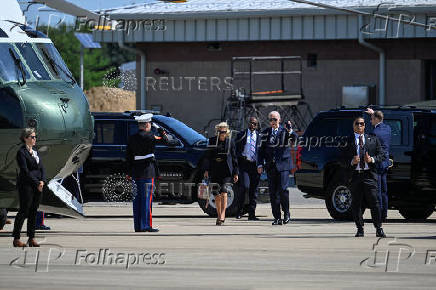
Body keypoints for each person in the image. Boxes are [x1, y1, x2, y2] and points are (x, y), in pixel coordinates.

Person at [343, 116, 386, 237]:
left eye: (362, 124)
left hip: (369, 175)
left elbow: (382, 155)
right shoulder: (347, 141)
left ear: (365, 126)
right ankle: (360, 228)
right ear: (353, 126)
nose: (360, 126)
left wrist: (371, 159)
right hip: (355, 176)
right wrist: (352, 161)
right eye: (357, 123)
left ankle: (379, 228)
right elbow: (341, 159)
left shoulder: (373, 139)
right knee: (356, 204)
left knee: (375, 202)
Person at [126, 113, 169, 233]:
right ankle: (146, 225)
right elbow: (167, 141)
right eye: (149, 124)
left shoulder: (132, 138)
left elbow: (128, 157)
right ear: (146, 125)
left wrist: (129, 172)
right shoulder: (150, 137)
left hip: (135, 172)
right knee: (146, 200)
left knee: (137, 200)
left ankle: (138, 226)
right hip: (147, 172)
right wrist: (161, 130)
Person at [257, 111, 297, 225]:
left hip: (283, 166)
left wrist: (290, 130)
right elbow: (260, 151)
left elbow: (294, 138)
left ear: (279, 120)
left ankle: (287, 213)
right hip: (271, 167)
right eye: (271, 120)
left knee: (283, 190)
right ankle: (277, 217)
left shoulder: (284, 131)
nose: (273, 122)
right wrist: (260, 164)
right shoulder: (265, 133)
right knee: (273, 193)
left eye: (275, 119)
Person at [12, 128, 46, 247]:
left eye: (35, 137)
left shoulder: (35, 152)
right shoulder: (21, 152)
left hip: (38, 185)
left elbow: (41, 168)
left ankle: (31, 238)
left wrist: (42, 181)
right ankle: (16, 238)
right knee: (23, 211)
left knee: (33, 212)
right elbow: (25, 171)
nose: (34, 139)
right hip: (26, 185)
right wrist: (37, 182)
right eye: (32, 137)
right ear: (25, 138)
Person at [203, 122, 238, 225]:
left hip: (226, 171)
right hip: (215, 170)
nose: (222, 133)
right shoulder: (212, 141)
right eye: (220, 131)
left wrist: (236, 173)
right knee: (216, 194)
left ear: (226, 132)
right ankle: (219, 215)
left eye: (223, 131)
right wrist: (206, 170)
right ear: (217, 131)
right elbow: (207, 157)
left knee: (224, 191)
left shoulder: (230, 142)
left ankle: (223, 214)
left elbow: (234, 158)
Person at [365, 108, 392, 221]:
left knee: (378, 191)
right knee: (384, 191)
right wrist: (374, 113)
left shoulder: (375, 133)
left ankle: (380, 215)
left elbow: (371, 147)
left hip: (377, 163)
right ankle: (384, 213)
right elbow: (381, 123)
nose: (370, 121)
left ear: (376, 119)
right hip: (385, 163)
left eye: (372, 119)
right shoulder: (387, 128)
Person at [235, 117, 261, 220]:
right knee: (245, 187)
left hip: (254, 165)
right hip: (244, 164)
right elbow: (235, 148)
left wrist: (261, 164)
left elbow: (262, 151)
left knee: (253, 191)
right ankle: (239, 211)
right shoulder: (242, 134)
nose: (253, 125)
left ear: (257, 125)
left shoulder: (260, 136)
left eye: (255, 123)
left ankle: (252, 214)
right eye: (251, 123)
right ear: (248, 123)